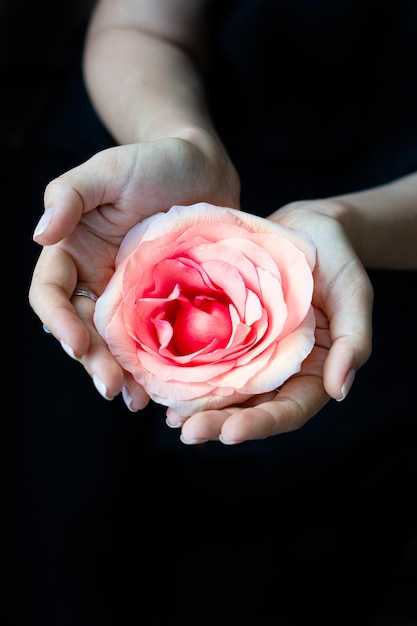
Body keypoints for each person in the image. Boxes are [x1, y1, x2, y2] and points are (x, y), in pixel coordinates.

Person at [16, 0, 417, 624]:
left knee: (265, 581)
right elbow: (141, 24)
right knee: (57, 528)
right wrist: (183, 141)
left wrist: (347, 223)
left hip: (386, 245)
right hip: (135, 169)